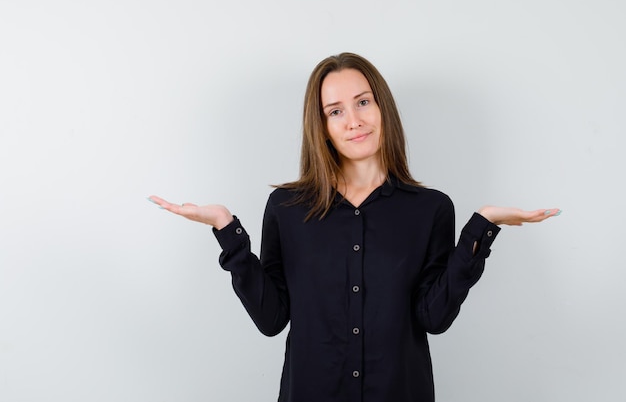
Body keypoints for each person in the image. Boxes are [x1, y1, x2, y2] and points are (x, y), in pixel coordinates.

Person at [149, 52, 559, 402]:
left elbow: (432, 318)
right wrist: (226, 228)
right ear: (322, 126)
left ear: (382, 108)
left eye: (363, 102)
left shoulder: (431, 209)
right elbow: (272, 318)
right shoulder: (287, 208)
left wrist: (481, 229)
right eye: (336, 111)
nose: (353, 121)